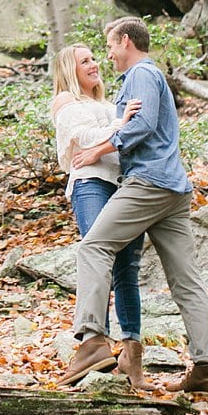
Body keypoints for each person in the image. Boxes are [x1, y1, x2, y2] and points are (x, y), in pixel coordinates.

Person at [59, 17, 208, 397]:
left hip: (149, 183)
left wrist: (99, 149)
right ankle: (207, 370)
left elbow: (144, 126)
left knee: (94, 246)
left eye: (110, 47)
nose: (109, 55)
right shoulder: (150, 78)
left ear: (125, 41)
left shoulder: (140, 74)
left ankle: (92, 342)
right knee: (186, 281)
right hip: (175, 190)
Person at [50, 44, 152, 390]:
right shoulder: (66, 101)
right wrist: (121, 124)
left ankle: (131, 359)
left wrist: (122, 121)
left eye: (95, 58)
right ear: (69, 69)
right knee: (97, 255)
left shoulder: (109, 104)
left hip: (124, 186)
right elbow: (86, 139)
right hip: (92, 183)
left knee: (128, 271)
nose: (94, 64)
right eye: (85, 61)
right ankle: (93, 342)